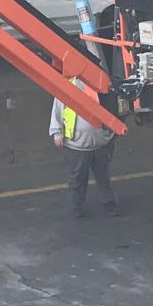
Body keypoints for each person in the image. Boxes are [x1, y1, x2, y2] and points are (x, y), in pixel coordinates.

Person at [49, 80, 118, 219]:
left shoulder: (101, 85)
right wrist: (57, 132)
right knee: (78, 180)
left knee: (103, 178)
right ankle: (77, 208)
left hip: (98, 144)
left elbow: (113, 110)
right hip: (77, 146)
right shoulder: (67, 86)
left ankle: (109, 205)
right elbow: (57, 110)